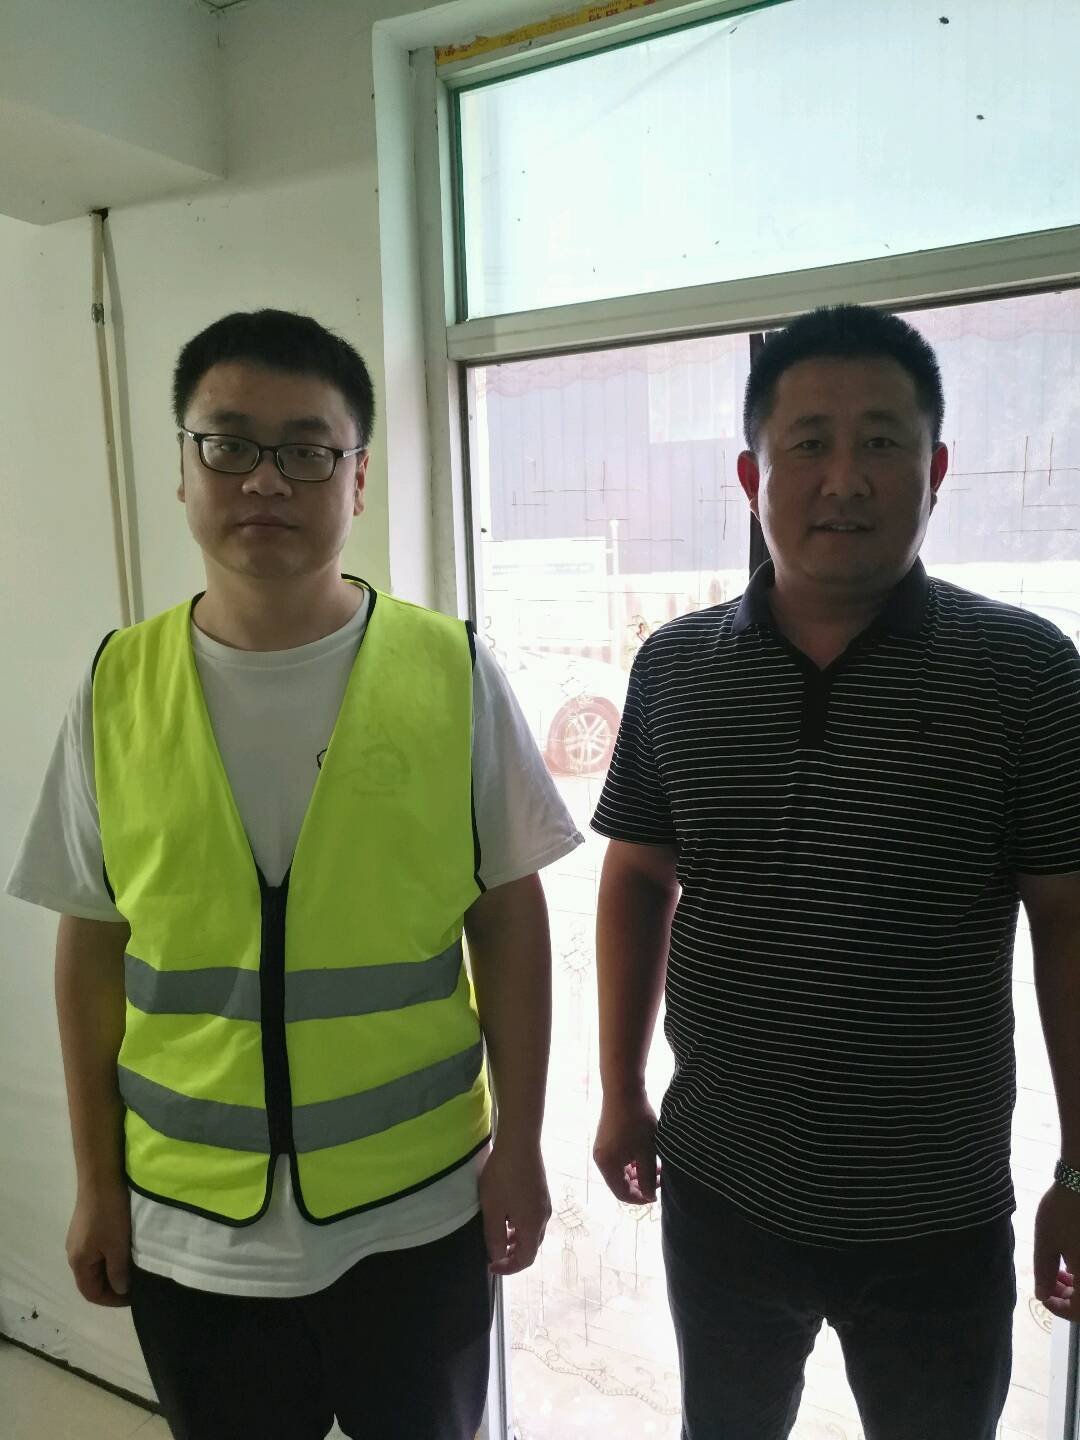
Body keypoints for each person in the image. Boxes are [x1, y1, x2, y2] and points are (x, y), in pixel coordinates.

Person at [6, 309, 582, 1440]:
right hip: (188, 1230)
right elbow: (92, 946)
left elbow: (510, 923)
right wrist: (96, 1182)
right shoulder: (116, 686)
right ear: (183, 468)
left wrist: (520, 1146)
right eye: (229, 443)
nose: (265, 479)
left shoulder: (452, 672)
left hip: (416, 1214)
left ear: (357, 479)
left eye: (308, 450)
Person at [590, 304, 1080, 1440]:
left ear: (936, 470)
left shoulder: (1026, 673)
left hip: (937, 1213)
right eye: (808, 443)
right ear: (751, 475)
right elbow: (636, 877)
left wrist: (1079, 1169)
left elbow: (1069, 925)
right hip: (721, 1186)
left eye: (883, 442)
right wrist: (619, 1090)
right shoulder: (677, 668)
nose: (845, 479)